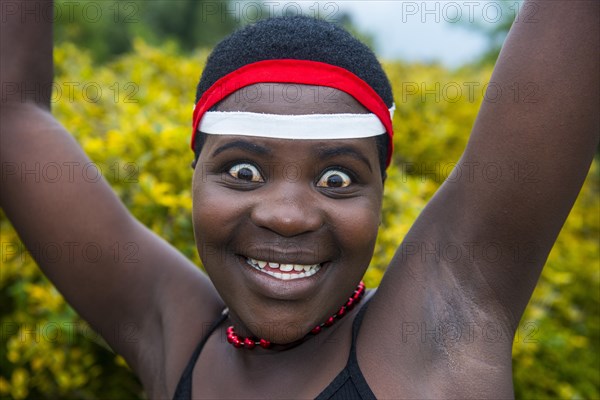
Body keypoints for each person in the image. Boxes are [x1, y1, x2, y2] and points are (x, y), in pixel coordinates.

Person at [1, 0, 598, 399]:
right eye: (242, 169)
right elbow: (10, 113)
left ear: (382, 194)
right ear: (194, 176)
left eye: (337, 178)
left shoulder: (440, 329)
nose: (286, 214)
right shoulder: (174, 334)